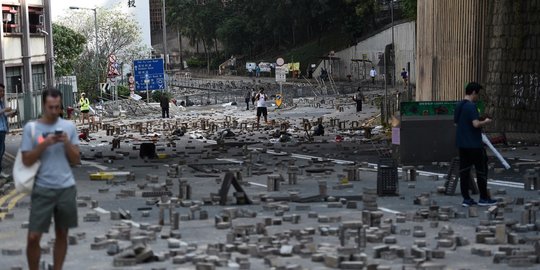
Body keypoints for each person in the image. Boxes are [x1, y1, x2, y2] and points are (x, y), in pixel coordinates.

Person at [21, 88, 80, 270]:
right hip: (42, 188)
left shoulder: (69, 127)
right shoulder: (32, 128)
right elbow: (26, 160)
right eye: (50, 108)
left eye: (57, 107)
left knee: (62, 232)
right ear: (43, 106)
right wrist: (44, 144)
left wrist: (66, 143)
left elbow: (76, 159)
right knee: (33, 237)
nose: (54, 111)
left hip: (66, 187)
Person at [454, 82, 496, 207]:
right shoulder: (471, 106)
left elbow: (456, 123)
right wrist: (486, 121)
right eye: (477, 94)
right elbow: (476, 124)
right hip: (474, 144)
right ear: (473, 92)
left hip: (462, 144)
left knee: (464, 172)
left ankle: (466, 199)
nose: (478, 96)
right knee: (481, 171)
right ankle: (483, 198)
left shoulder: (459, 105)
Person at [0, 83, 17, 178]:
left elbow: (2, 115)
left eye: (3, 91)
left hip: (2, 130)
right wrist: (5, 109)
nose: (2, 93)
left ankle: (0, 171)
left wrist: (10, 113)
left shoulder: (1, 102)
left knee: (2, 151)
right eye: (0, 91)